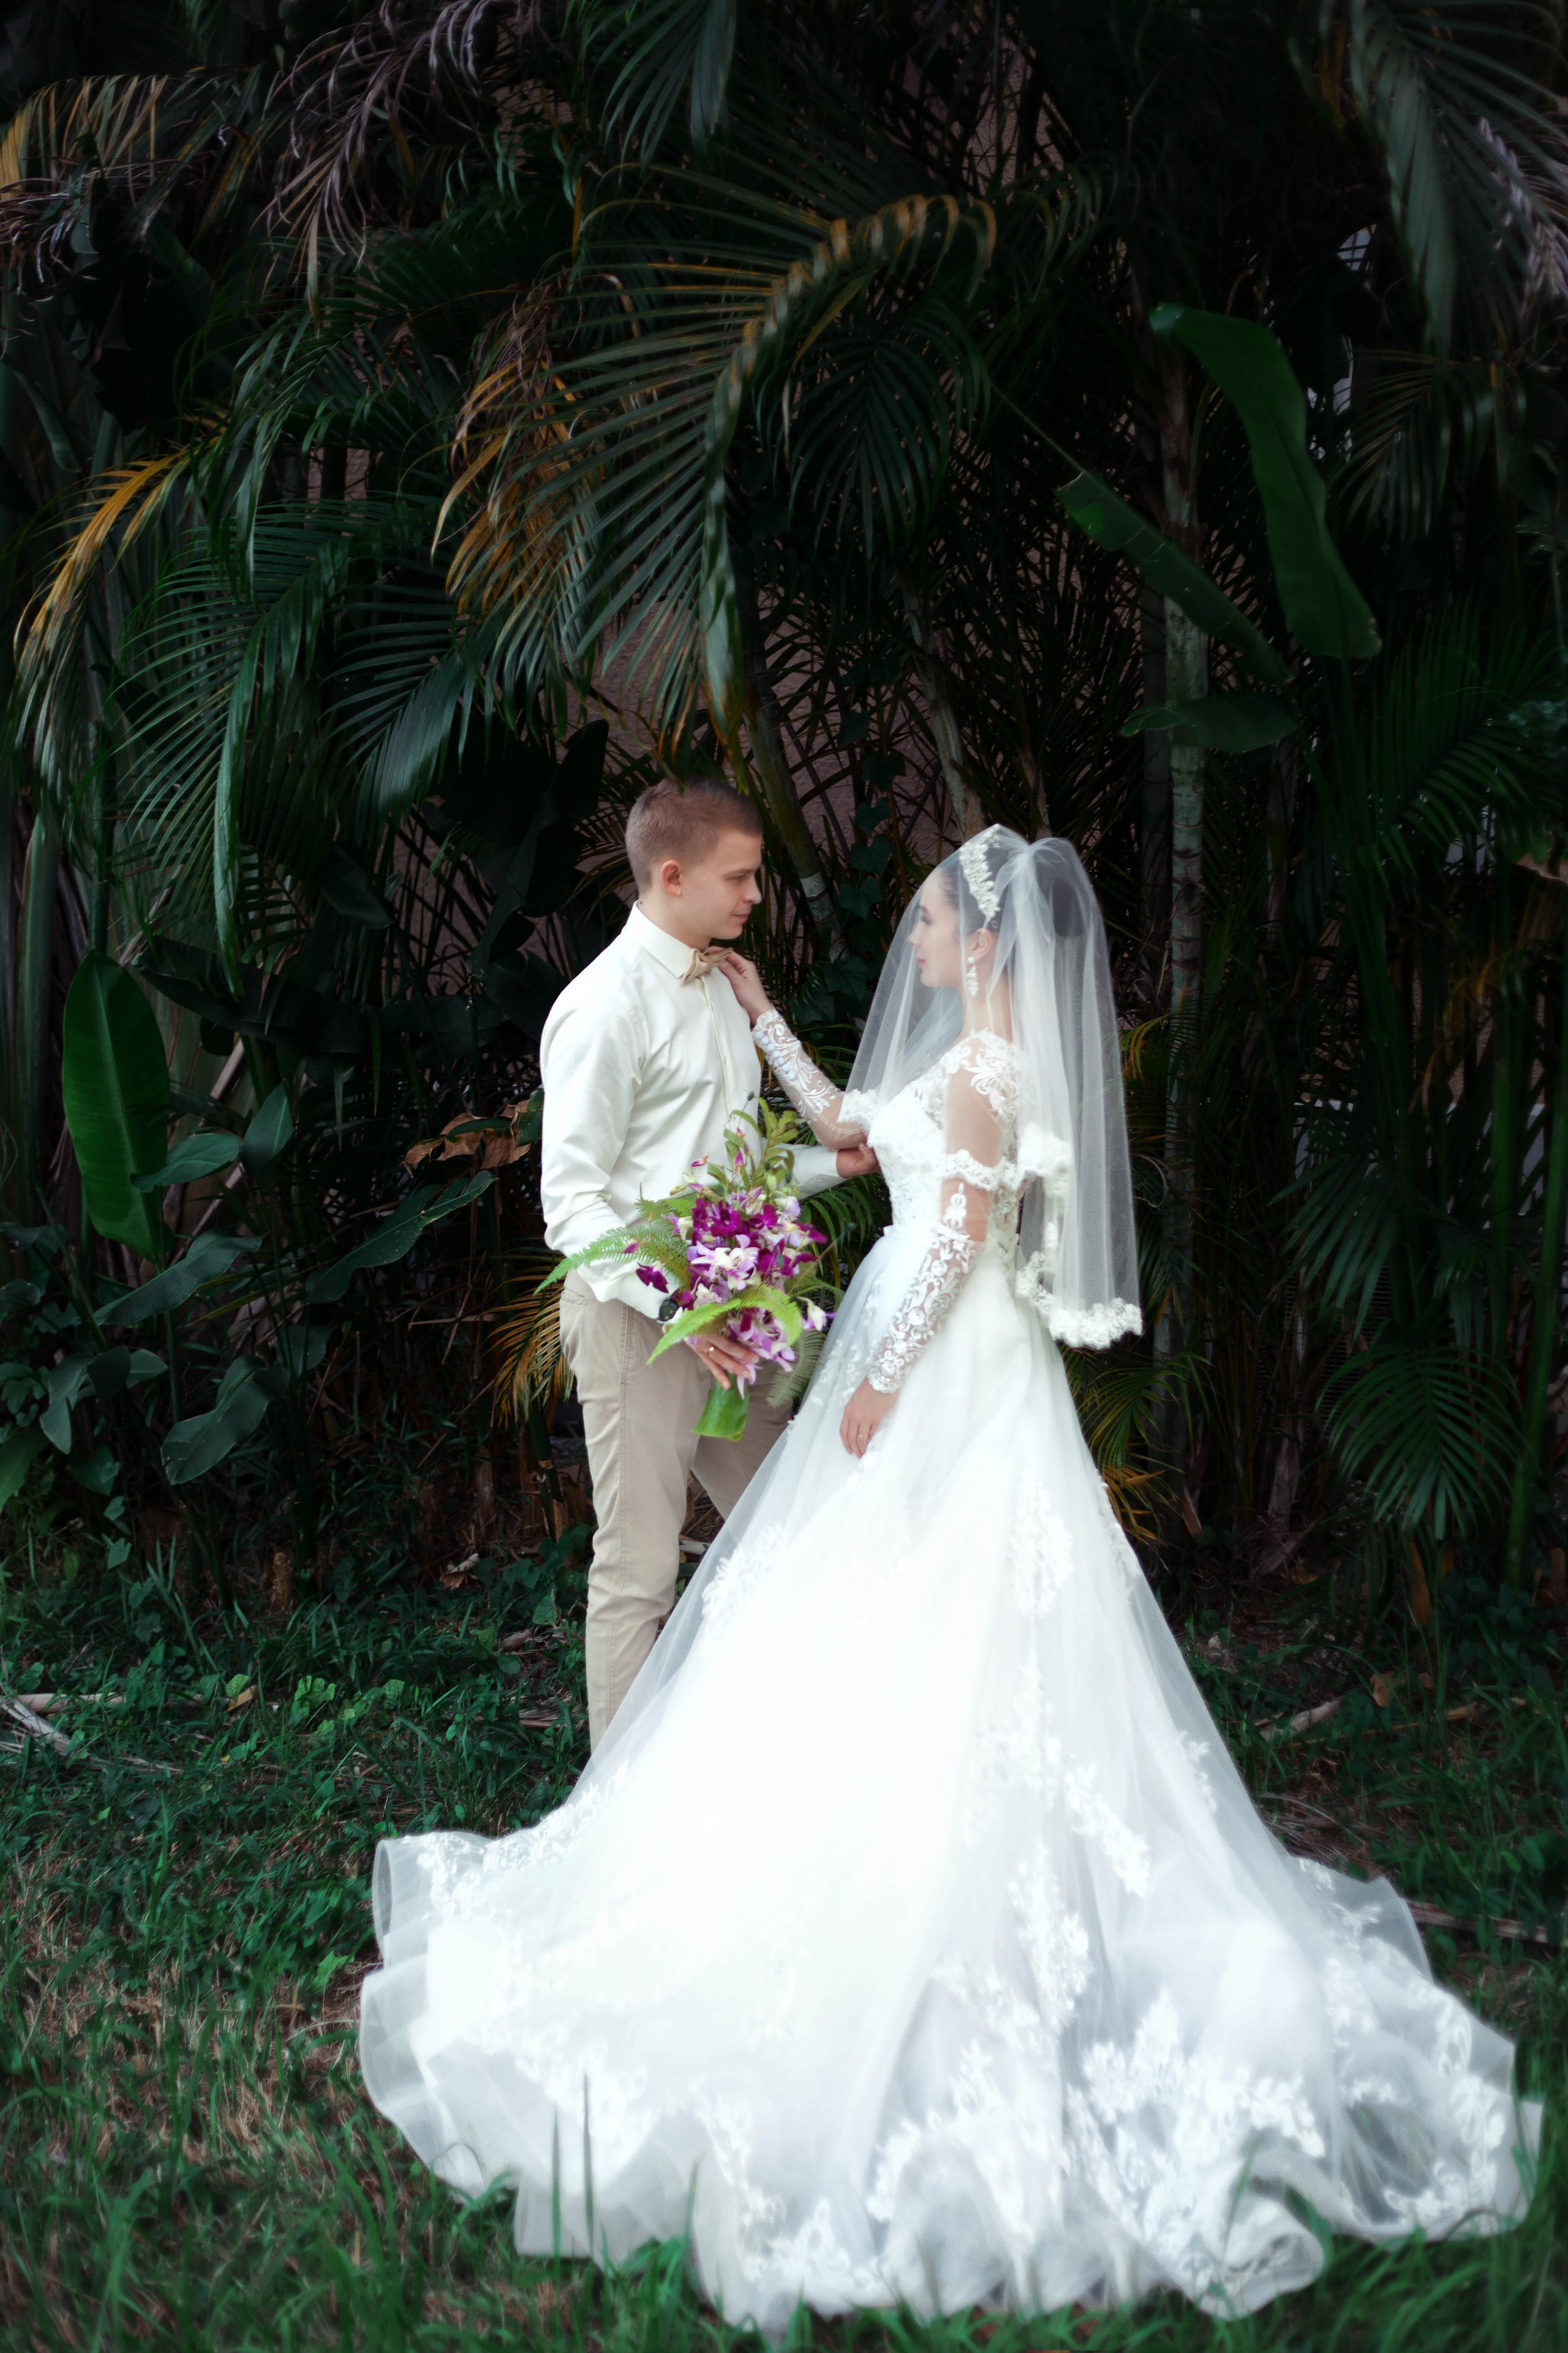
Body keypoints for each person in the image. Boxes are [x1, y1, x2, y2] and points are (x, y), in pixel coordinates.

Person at [361, 827, 1539, 2332]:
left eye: (925, 923)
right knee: (855, 1609)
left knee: (953, 1613)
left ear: (979, 946)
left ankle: (952, 1886)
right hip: (889, 1339)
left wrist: (878, 1382)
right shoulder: (950, 1062)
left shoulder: (992, 1075)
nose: (909, 943)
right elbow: (853, 1125)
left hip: (946, 1364)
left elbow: (960, 1236)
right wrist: (766, 1014)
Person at [536, 775, 874, 1747]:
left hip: (733, 1315)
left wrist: (824, 1164)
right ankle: (618, 1819)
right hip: (639, 1319)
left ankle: (780, 1757)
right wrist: (687, 1304)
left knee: (794, 1516)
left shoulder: (723, 986)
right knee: (638, 1570)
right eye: (743, 877)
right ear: (672, 875)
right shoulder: (601, 1007)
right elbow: (575, 1202)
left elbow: (726, 1165)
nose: (756, 896)